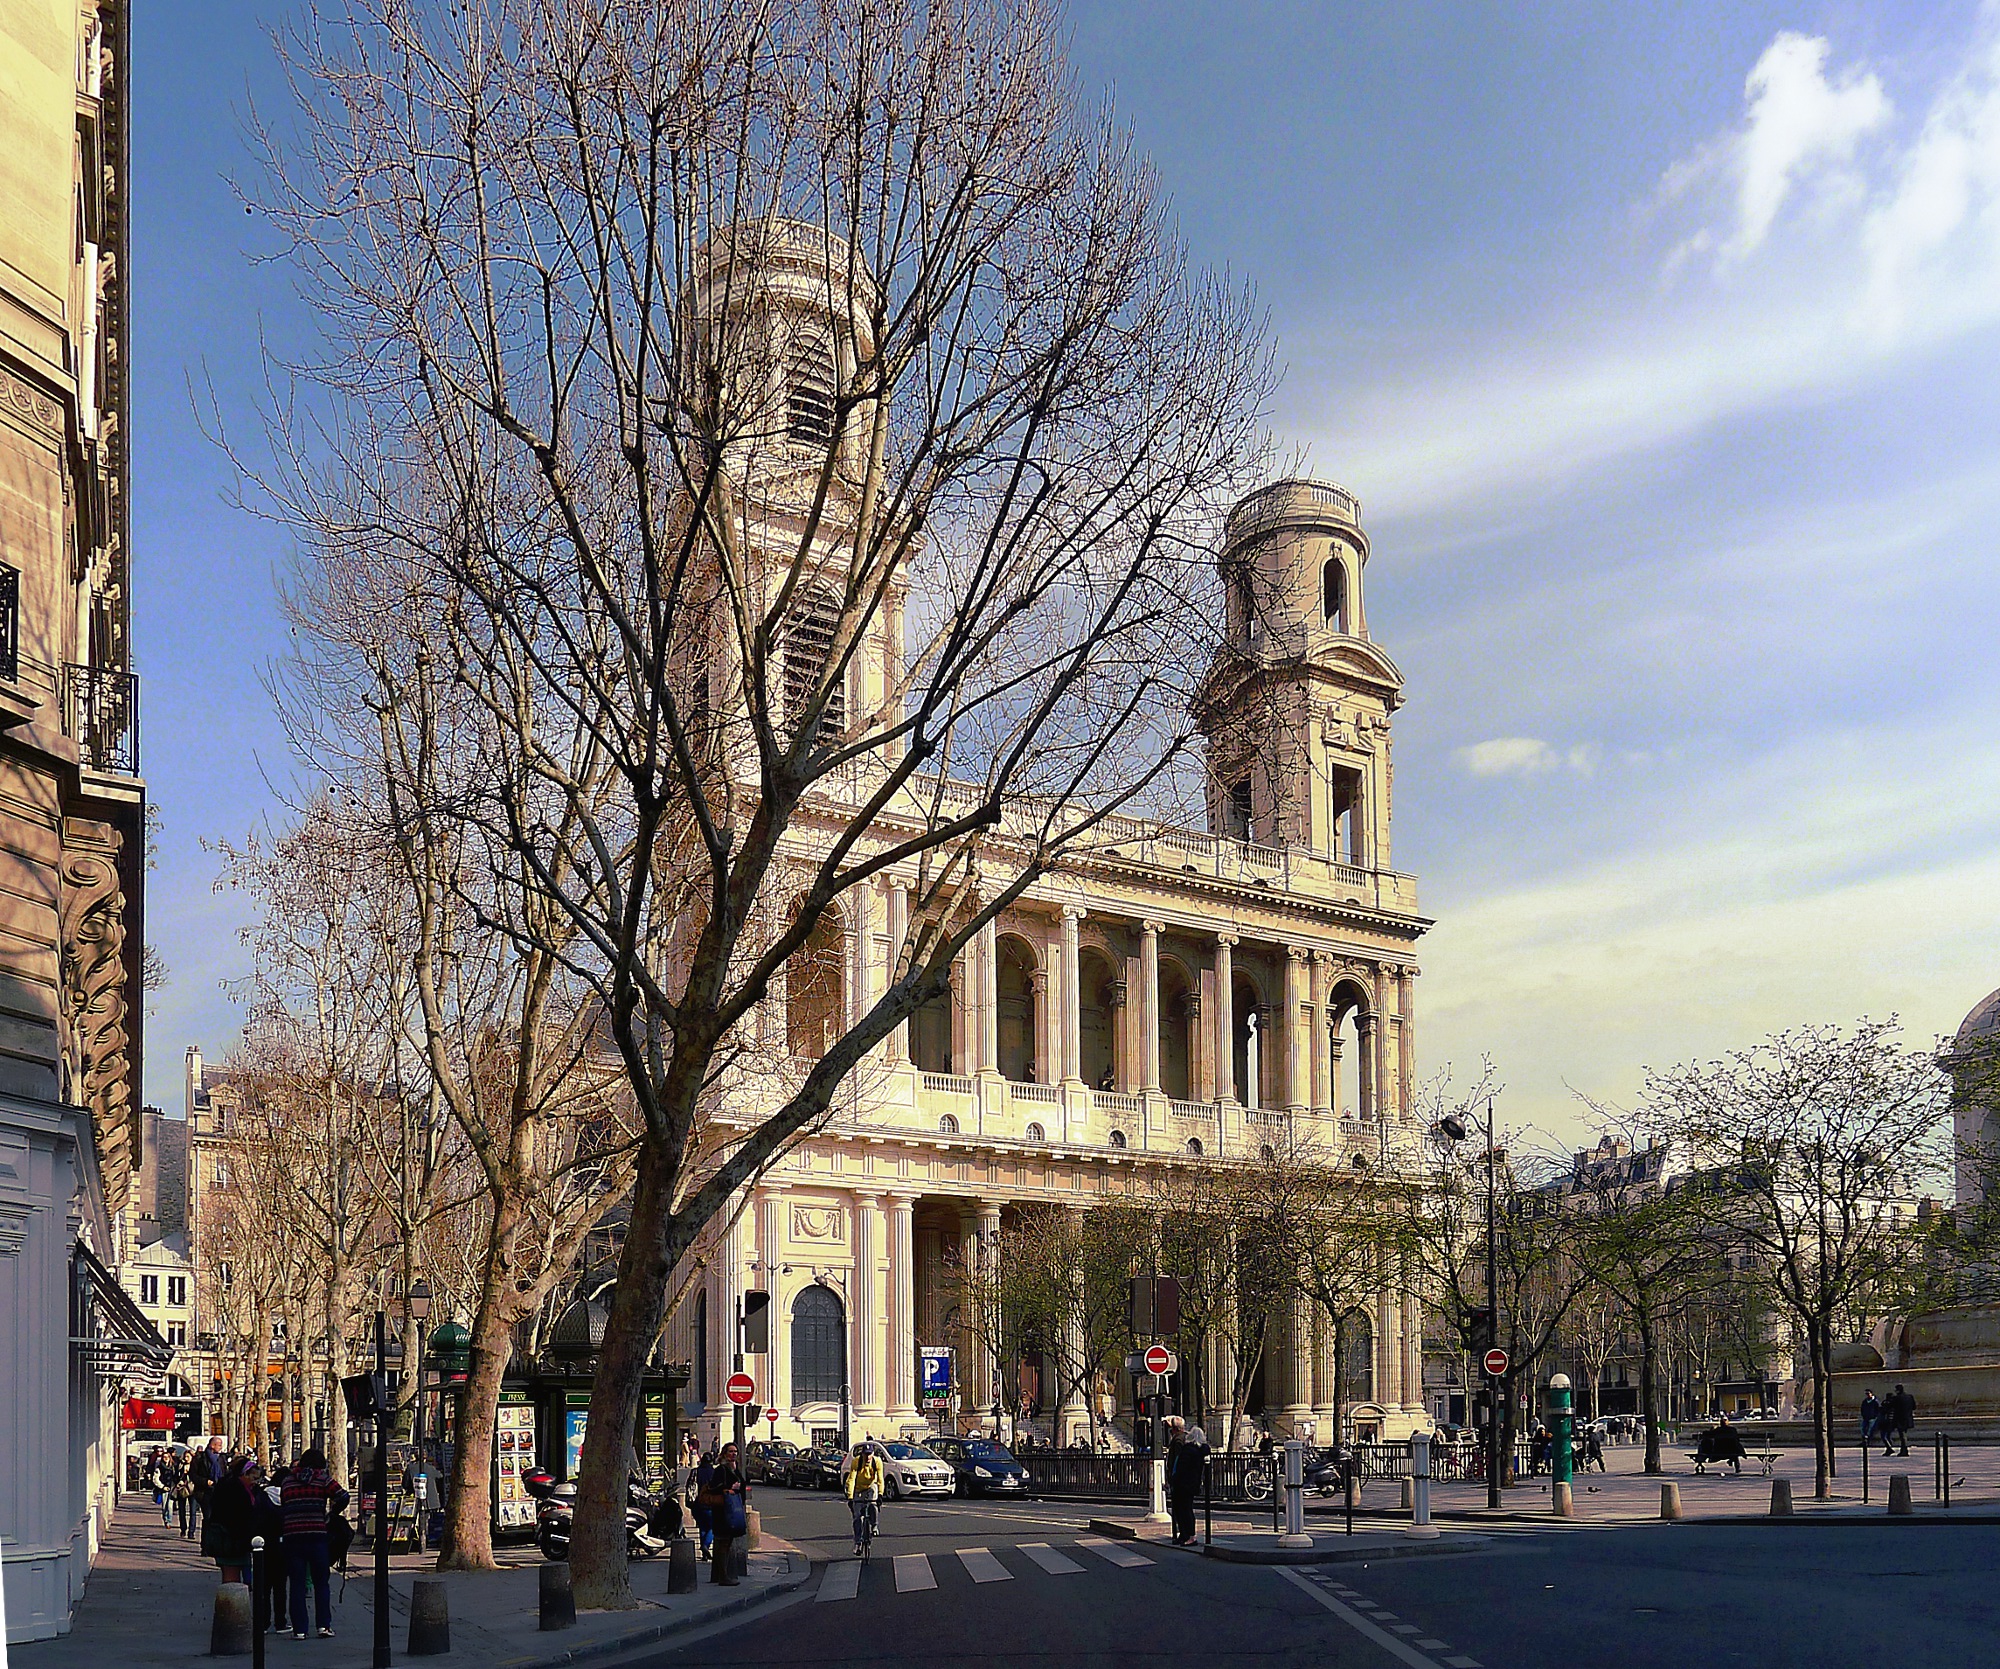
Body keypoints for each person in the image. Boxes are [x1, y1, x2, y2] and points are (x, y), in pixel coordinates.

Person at [281, 1446, 341, 1640]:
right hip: (317, 1535)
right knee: (321, 1583)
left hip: (292, 1537)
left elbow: (284, 1505)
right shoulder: (322, 1480)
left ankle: (299, 1630)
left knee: (297, 1585)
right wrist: (331, 1513)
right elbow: (343, 1496)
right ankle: (323, 1625)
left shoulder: (287, 1482)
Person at [202, 1455, 256, 1582]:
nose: (255, 1481)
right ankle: (231, 1601)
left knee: (230, 1575)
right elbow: (235, 1515)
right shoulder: (234, 1488)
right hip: (230, 1540)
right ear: (244, 1474)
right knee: (231, 1577)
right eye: (253, 1477)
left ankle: (233, 1598)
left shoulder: (230, 1485)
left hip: (229, 1538)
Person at [250, 1463, 290, 1635]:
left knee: (263, 1587)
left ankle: (262, 1622)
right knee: (280, 1586)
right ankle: (280, 1622)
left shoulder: (263, 1496)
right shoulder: (289, 1497)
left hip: (263, 1545)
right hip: (283, 1545)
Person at [704, 1442, 747, 1587]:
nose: (733, 1454)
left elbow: (742, 1484)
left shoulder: (734, 1469)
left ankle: (720, 1575)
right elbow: (714, 1487)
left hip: (731, 1510)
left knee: (726, 1543)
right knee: (722, 1542)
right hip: (722, 1512)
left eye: (735, 1451)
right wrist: (729, 1488)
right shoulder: (721, 1470)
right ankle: (723, 1576)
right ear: (724, 1453)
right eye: (730, 1451)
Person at [1165, 1418, 1208, 1547]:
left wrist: (1172, 1480)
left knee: (1183, 1510)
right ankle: (1185, 1535)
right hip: (1191, 1484)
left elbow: (1179, 1466)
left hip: (1182, 1484)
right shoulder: (1199, 1451)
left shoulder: (1187, 1450)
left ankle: (1189, 1535)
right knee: (1184, 1509)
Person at [844, 1442, 884, 1558]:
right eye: (865, 1454)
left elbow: (880, 1479)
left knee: (873, 1504)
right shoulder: (857, 1461)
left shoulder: (877, 1462)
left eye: (869, 1454)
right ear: (862, 1454)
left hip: (871, 1485)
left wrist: (880, 1495)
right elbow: (851, 1479)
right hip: (858, 1488)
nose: (867, 1457)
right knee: (857, 1517)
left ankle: (874, 1525)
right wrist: (850, 1497)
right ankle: (858, 1543)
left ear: (873, 1454)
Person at [189, 1436, 225, 1539]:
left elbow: (224, 1473)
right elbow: (193, 1475)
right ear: (212, 1445)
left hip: (218, 1491)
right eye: (219, 1445)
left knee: (217, 1519)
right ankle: (205, 1545)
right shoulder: (200, 1458)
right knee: (208, 1517)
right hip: (204, 1492)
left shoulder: (221, 1458)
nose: (220, 1447)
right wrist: (205, 1482)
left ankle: (215, 1542)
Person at [689, 1447, 716, 1560]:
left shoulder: (695, 1471)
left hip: (697, 1504)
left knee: (702, 1527)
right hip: (710, 1504)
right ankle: (706, 1545)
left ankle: (704, 1554)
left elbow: (689, 1486)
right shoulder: (714, 1473)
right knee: (713, 1527)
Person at [1883, 1384, 1916, 1458]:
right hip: (1908, 1418)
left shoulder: (1896, 1398)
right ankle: (1904, 1449)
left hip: (1899, 1419)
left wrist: (1887, 1401)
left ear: (1898, 1390)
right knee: (1903, 1434)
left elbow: (1889, 1407)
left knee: (1901, 1435)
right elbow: (1914, 1407)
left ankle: (1904, 1450)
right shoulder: (1910, 1397)